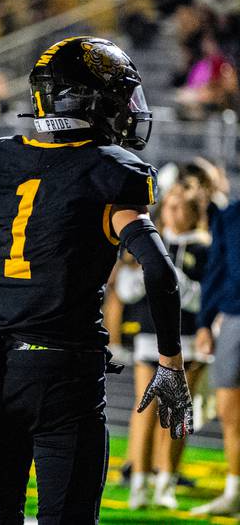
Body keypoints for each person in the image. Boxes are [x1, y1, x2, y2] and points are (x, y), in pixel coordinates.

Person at [0, 37, 194, 524]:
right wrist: (171, 362)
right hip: (67, 373)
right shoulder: (112, 172)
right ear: (90, 102)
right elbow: (160, 271)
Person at [116, 182, 211, 509]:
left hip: (190, 342)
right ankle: (139, 483)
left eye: (180, 207)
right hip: (150, 338)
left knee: (180, 413)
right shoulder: (148, 241)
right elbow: (127, 292)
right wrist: (146, 273)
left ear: (194, 212)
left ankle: (165, 483)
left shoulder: (203, 248)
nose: (171, 213)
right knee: (144, 411)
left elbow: (203, 299)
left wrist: (172, 279)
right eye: (168, 206)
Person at [191, 198, 240, 516]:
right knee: (229, 411)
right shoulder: (231, 215)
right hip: (235, 317)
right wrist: (205, 323)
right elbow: (216, 269)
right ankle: (235, 492)